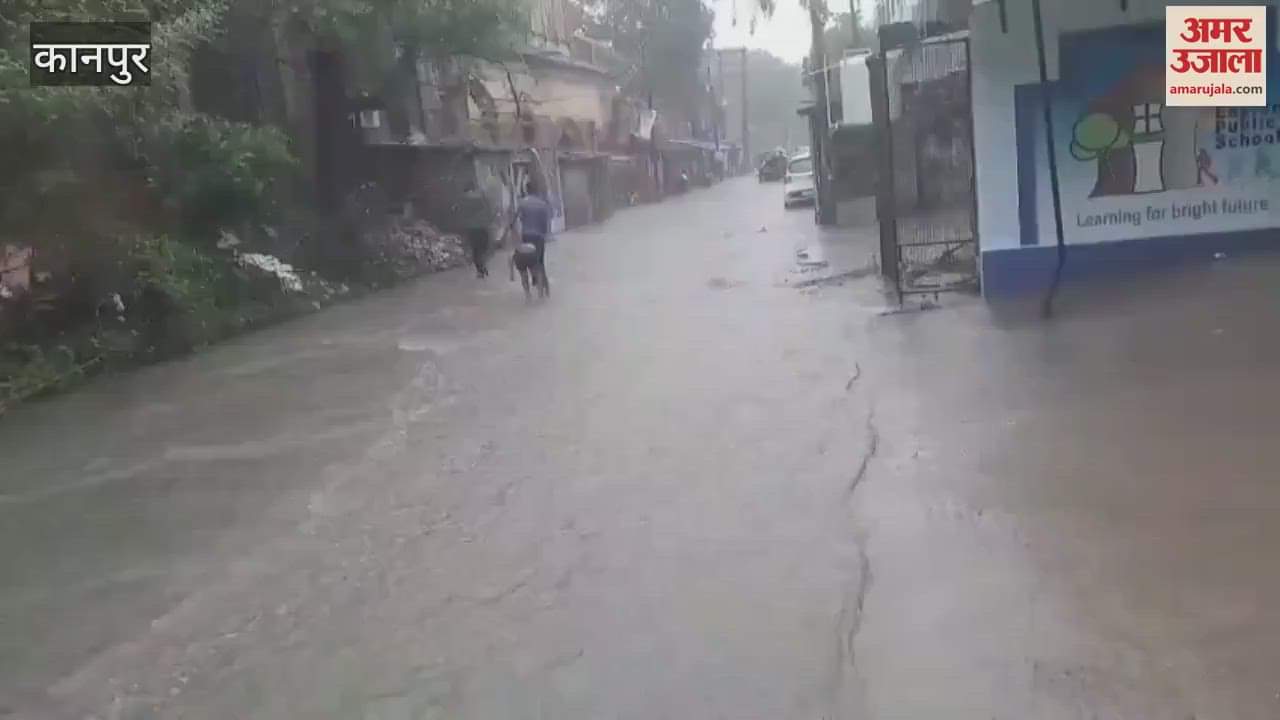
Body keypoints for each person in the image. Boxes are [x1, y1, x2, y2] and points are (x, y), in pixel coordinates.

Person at [516, 181, 552, 295]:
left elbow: (516, 219)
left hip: (526, 236)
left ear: (526, 190)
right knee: (539, 262)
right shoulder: (543, 204)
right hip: (539, 236)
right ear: (537, 191)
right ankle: (544, 290)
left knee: (527, 260)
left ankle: (531, 291)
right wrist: (545, 235)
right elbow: (546, 223)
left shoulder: (522, 203)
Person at [457, 181, 492, 278]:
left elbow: (460, 213)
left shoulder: (463, 200)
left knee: (475, 250)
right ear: (474, 187)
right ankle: (483, 266)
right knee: (483, 248)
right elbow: (488, 209)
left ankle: (480, 270)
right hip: (482, 227)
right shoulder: (480, 197)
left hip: (471, 228)